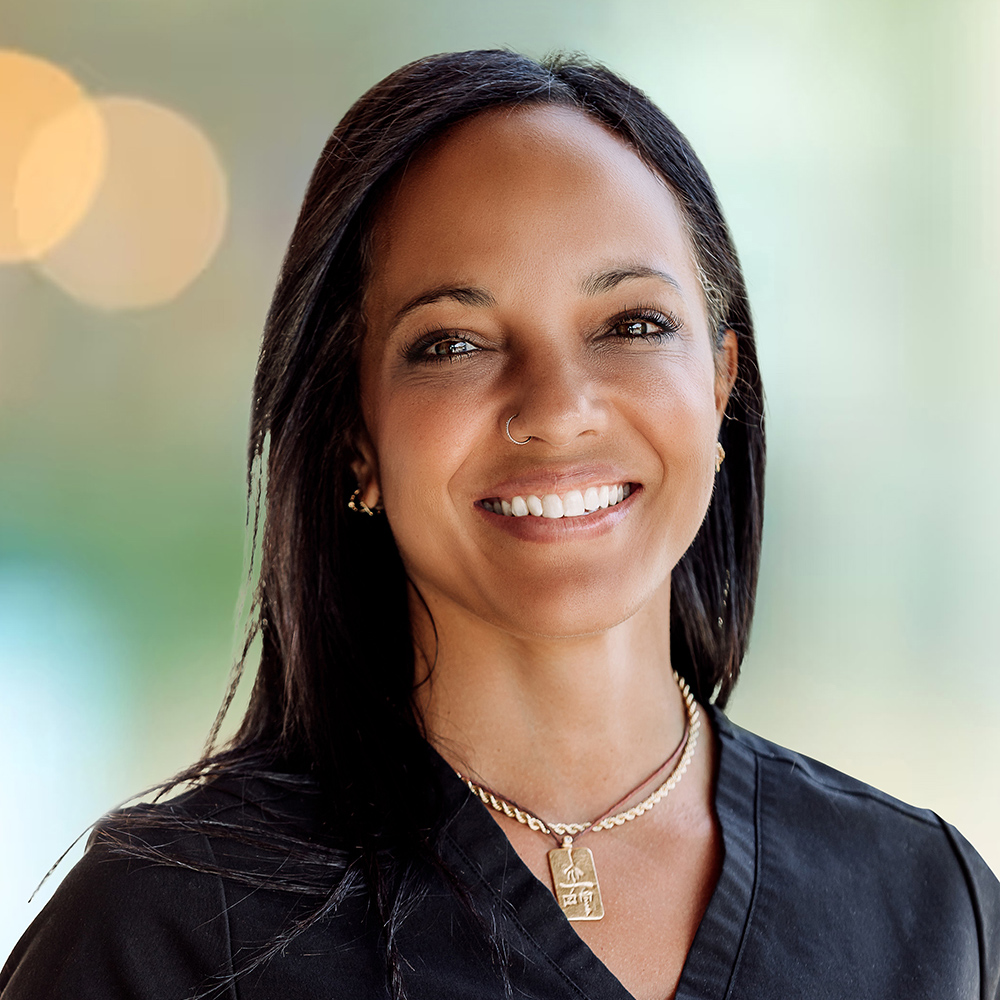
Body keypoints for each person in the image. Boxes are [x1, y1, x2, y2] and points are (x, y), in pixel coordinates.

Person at [2, 49, 998, 1000]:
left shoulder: (925, 905)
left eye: (633, 325)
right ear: (355, 435)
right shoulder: (165, 932)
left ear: (721, 386)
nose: (558, 406)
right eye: (453, 342)